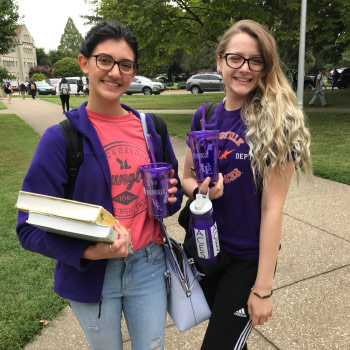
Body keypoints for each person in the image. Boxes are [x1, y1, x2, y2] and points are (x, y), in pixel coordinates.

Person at [16, 21, 182, 350]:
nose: (115, 73)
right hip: (92, 274)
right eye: (104, 60)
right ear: (85, 63)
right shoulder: (60, 139)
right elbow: (28, 228)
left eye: (125, 64)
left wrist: (173, 199)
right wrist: (89, 251)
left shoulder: (152, 129)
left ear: (133, 71)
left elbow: (168, 202)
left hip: (148, 264)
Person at [182, 20, 312, 350]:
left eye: (255, 61)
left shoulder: (275, 122)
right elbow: (186, 178)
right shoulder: (204, 115)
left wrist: (263, 288)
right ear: (219, 61)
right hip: (206, 253)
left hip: (246, 262)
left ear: (265, 66)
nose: (245, 68)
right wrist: (201, 191)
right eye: (235, 58)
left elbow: (272, 210)